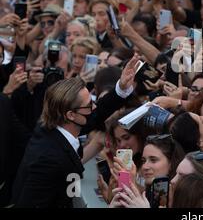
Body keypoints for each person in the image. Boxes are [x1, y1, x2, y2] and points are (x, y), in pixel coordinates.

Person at [11, 55, 139, 207]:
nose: (94, 107)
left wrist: (121, 88)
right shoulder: (48, 159)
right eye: (89, 105)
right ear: (70, 115)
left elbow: (98, 114)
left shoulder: (55, 125)